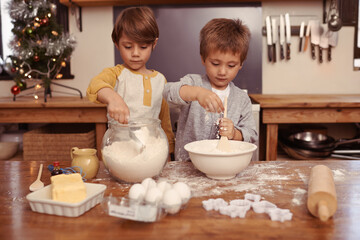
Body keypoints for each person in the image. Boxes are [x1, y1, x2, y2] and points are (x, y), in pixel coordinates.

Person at [163, 18, 258, 161]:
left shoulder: (241, 99)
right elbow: (168, 92)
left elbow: (251, 134)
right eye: (215, 63)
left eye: (231, 65)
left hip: (226, 165)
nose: (222, 71)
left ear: (240, 64)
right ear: (203, 59)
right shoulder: (193, 83)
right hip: (188, 166)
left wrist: (234, 133)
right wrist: (196, 93)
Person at [87, 6, 175, 154]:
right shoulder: (116, 74)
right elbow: (94, 85)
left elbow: (164, 121)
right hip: (120, 148)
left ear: (154, 44)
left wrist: (169, 150)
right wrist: (113, 98)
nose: (135, 53)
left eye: (143, 46)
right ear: (117, 44)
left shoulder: (160, 80)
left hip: (151, 150)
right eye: (128, 46)